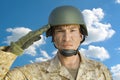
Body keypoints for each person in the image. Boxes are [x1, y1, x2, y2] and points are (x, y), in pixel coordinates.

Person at [0, 5, 112, 80]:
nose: (67, 38)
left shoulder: (100, 70)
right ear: (53, 37)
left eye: (72, 30)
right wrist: (13, 50)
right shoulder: (32, 73)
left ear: (81, 35)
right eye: (60, 31)